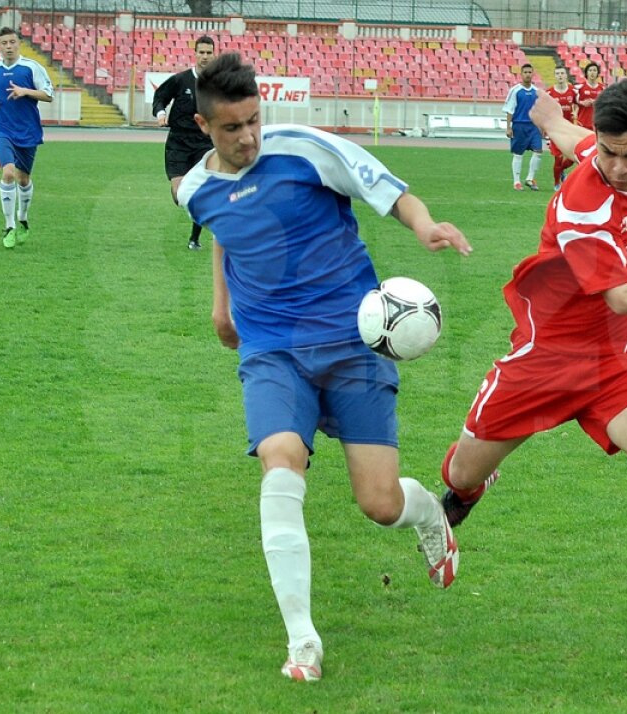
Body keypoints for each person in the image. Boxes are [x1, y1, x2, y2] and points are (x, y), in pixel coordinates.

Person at [176, 53, 472, 682]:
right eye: (233, 128)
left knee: (379, 503)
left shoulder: (306, 149)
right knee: (280, 461)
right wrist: (221, 308)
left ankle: (432, 518)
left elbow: (384, 187)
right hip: (270, 349)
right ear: (206, 128)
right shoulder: (194, 190)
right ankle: (303, 640)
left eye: (255, 120)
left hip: (349, 341)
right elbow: (224, 229)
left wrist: (424, 226)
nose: (249, 136)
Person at [438, 81, 627, 645]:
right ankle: (464, 494)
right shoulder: (584, 202)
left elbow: (573, 138)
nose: (620, 168)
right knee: (461, 474)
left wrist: (552, 121)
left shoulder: (617, 154)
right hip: (545, 360)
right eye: (610, 154)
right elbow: (621, 295)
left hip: (615, 358)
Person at [0, 26, 52, 249]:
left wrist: (26, 91)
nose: (8, 46)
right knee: (7, 173)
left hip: (27, 130)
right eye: (4, 43)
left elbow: (49, 94)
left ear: (18, 44)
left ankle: (23, 218)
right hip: (1, 127)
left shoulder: (31, 68)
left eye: (12, 42)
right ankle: (9, 226)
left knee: (23, 179)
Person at [153, 34, 216, 250]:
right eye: (202, 52)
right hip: (178, 143)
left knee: (200, 191)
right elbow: (160, 96)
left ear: (213, 54)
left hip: (205, 144)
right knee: (180, 195)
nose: (205, 56)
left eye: (209, 53)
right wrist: (160, 114)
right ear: (195, 53)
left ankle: (194, 238)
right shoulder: (181, 80)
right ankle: (196, 218)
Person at [503, 62, 542, 191]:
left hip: (534, 126)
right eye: (525, 72)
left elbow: (540, 110)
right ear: (521, 74)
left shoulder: (537, 92)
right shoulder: (515, 91)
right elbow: (510, 109)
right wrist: (508, 127)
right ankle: (516, 181)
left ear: (533, 74)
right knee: (518, 154)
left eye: (530, 72)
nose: (527, 75)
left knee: (538, 151)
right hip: (519, 125)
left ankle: (530, 179)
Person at [544, 66, 578, 191]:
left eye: (562, 73)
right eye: (557, 73)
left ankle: (561, 171)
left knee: (573, 157)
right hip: (556, 130)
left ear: (566, 75)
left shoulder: (573, 91)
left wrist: (576, 114)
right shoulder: (549, 93)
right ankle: (557, 183)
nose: (560, 76)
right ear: (555, 76)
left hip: (569, 130)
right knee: (558, 158)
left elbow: (578, 105)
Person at [574, 61, 604, 131]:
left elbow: (607, 104)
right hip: (582, 123)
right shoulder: (579, 88)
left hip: (597, 124)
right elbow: (572, 101)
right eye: (590, 70)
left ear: (598, 73)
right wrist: (581, 103)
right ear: (586, 73)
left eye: (594, 70)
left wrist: (597, 102)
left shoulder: (603, 88)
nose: (592, 72)